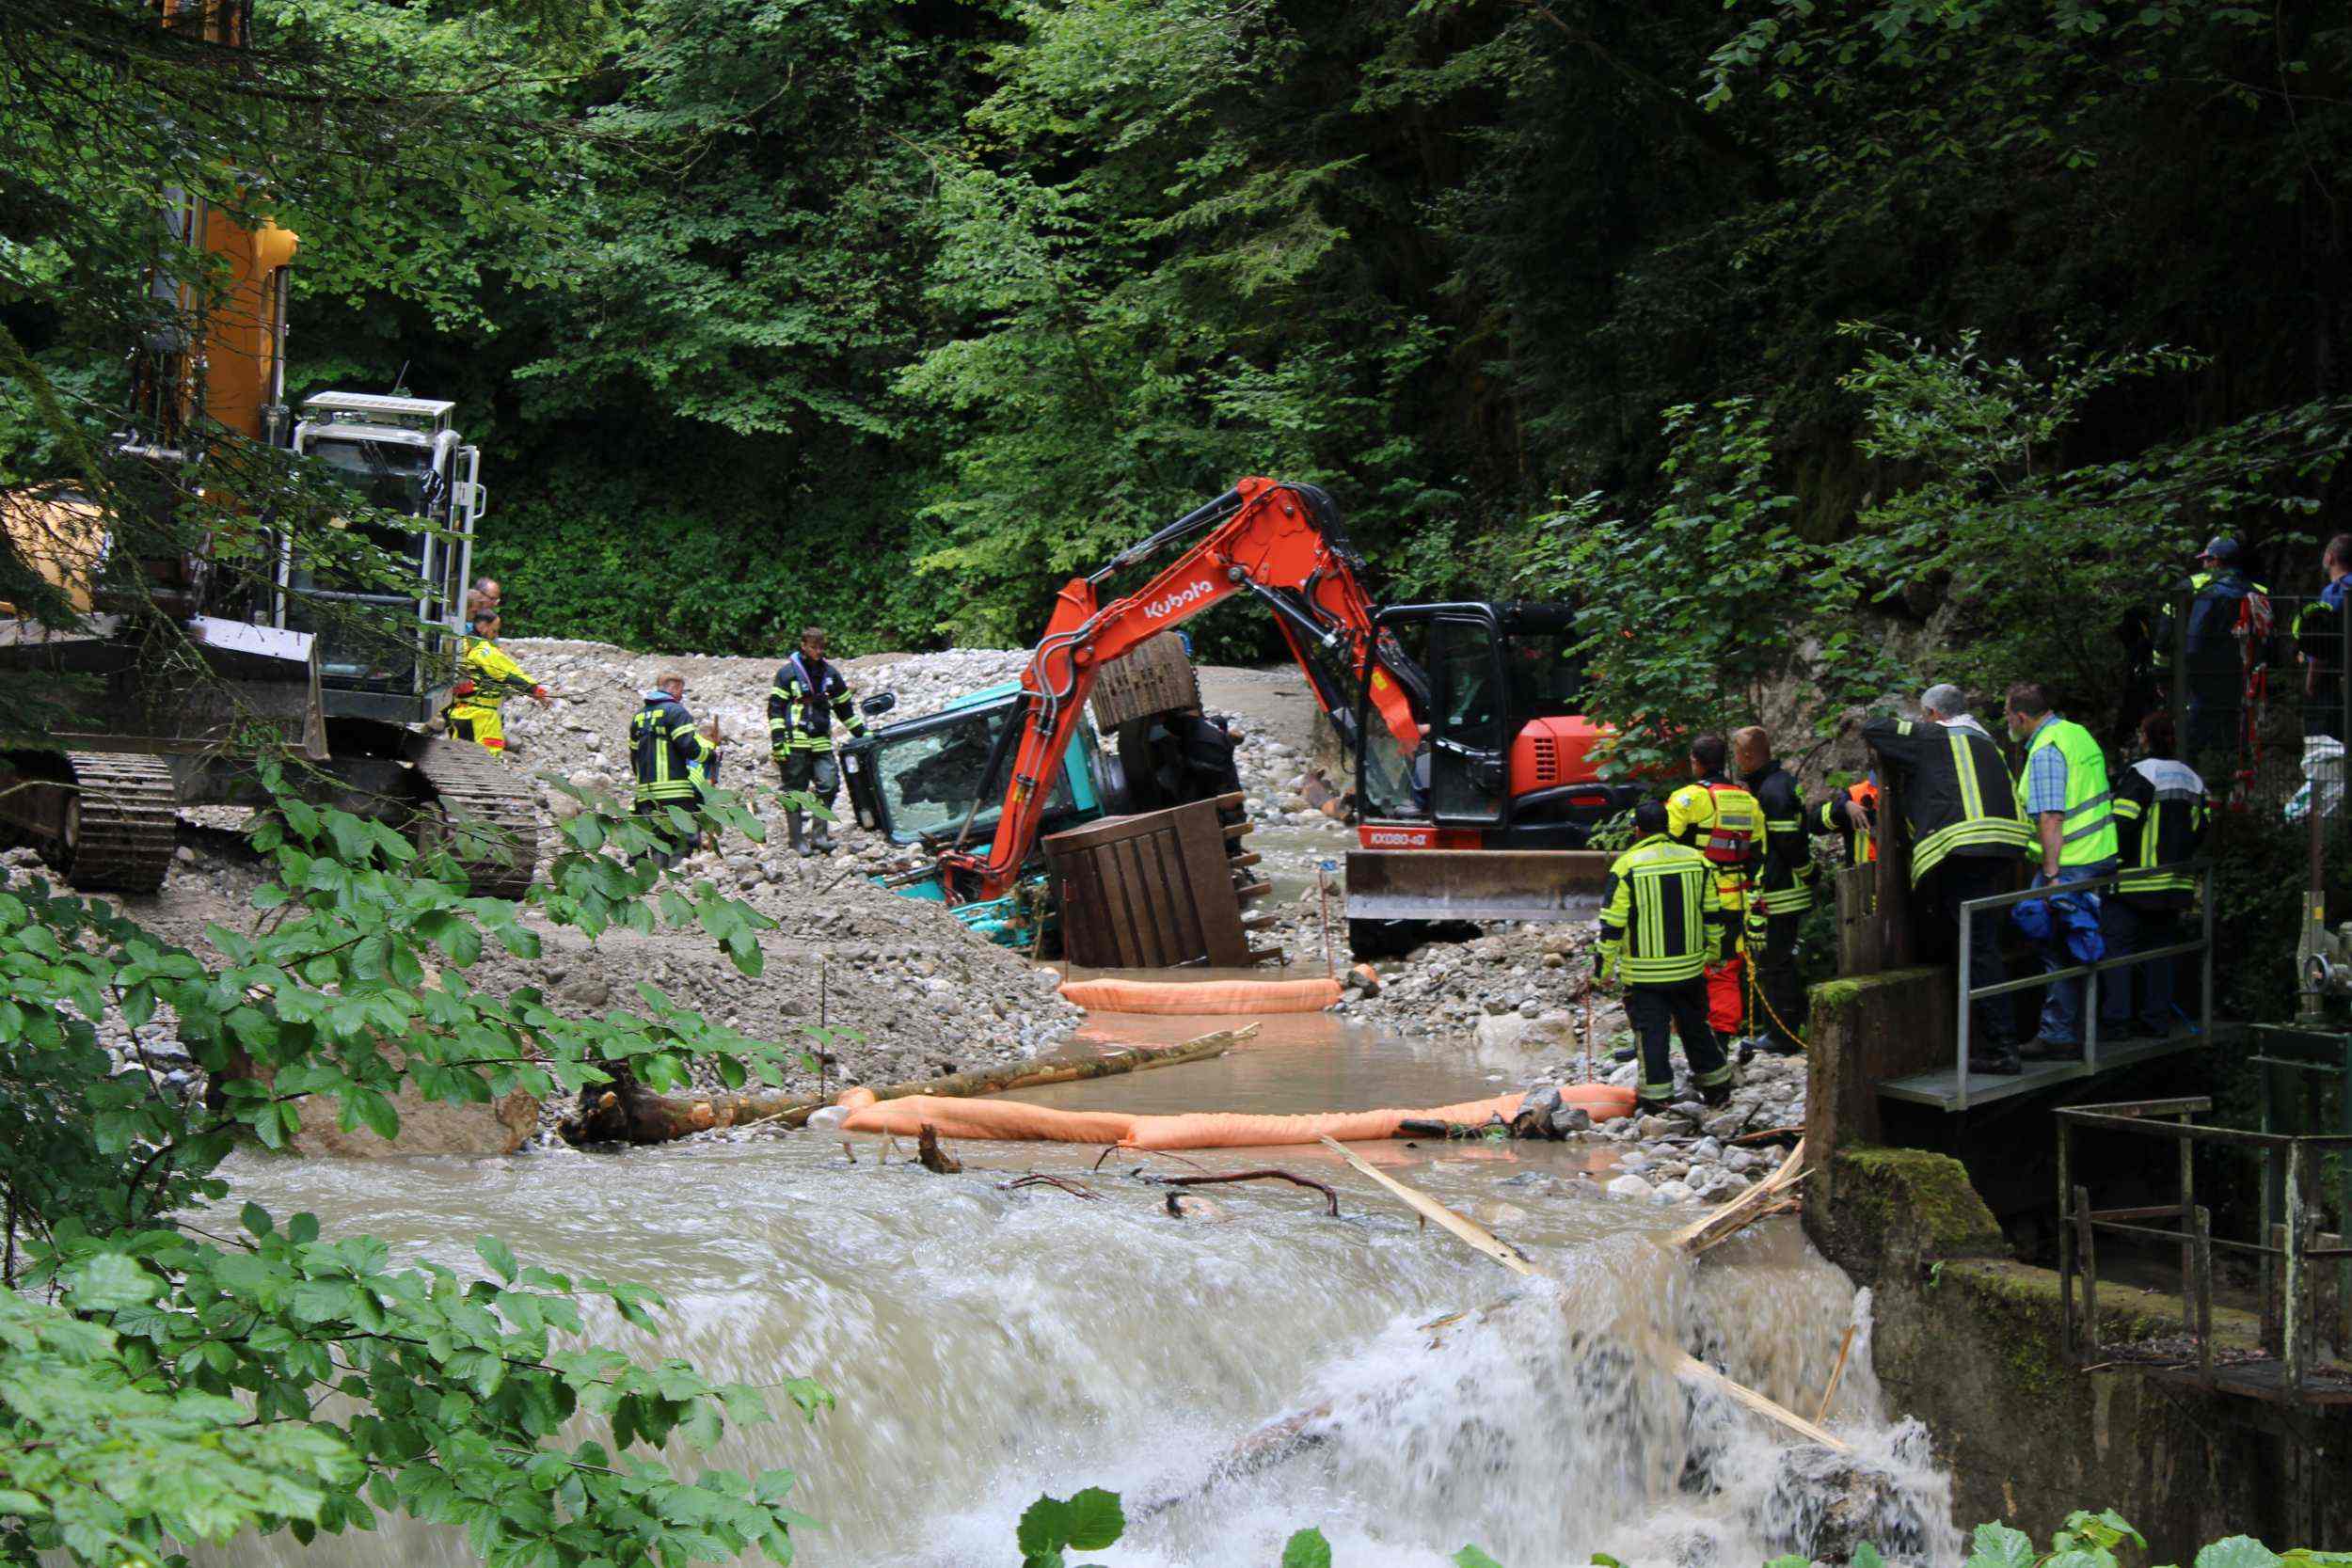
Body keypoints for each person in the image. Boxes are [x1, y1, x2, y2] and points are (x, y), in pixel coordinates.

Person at [1862, 685, 2037, 1074]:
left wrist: (1915, 725)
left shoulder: (1934, 735)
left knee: (1977, 946)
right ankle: (1998, 1040)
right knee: (1978, 939)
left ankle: (2002, 1048)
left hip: (1964, 846)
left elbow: (1875, 728)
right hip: (2003, 846)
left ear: (1932, 713)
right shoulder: (1984, 739)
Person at [1595, 797, 1738, 1115]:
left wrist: (1600, 971)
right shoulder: (1698, 862)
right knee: (1696, 1027)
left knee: (1652, 1035)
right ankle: (1717, 1089)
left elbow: (1612, 925)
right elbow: (1714, 916)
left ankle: (1658, 1099)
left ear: (1637, 831)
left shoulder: (1627, 867)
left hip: (1645, 976)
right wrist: (1713, 954)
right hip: (1689, 970)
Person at [2005, 682, 2121, 1060]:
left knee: (2053, 942)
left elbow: (2051, 816)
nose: (2007, 721)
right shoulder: (2077, 734)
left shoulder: (2045, 751)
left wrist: (2051, 874)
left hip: (2070, 861)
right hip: (2098, 854)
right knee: (2081, 941)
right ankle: (2083, 1026)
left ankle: (2057, 1034)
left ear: (2022, 717)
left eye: (2008, 715)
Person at [2100, 712, 2209, 1040]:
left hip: (2135, 881)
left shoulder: (2141, 774)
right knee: (2160, 954)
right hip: (2174, 884)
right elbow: (2202, 827)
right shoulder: (2192, 778)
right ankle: (2156, 1020)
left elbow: (2123, 822)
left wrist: (2113, 861)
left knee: (2117, 952)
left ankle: (2116, 1023)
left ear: (2145, 738)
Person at [1665, 734, 1762, 1048]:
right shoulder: (1749, 801)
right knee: (1724, 968)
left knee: (1679, 965)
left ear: (1695, 760)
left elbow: (1662, 844)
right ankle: (1721, 1037)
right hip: (1733, 898)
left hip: (1693, 897)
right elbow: (1758, 853)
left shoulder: (1687, 799)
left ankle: (1680, 1032)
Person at [1733, 725, 1814, 1055]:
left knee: (1776, 964)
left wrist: (1808, 873)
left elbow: (1787, 841)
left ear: (1749, 755)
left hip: (1782, 890)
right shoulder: (1774, 784)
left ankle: (1782, 1035)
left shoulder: (1773, 790)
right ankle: (1780, 1030)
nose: (1736, 760)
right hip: (1780, 886)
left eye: (1738, 754)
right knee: (1777, 963)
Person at [2160, 536, 2271, 772]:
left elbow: (2191, 636)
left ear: (2216, 561)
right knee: (2232, 721)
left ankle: (2185, 773)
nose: (2204, 564)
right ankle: (2231, 773)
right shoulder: (2257, 590)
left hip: (2203, 669)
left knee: (2195, 725)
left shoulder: (2199, 588)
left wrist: (2170, 666)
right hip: (2241, 669)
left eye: (2207, 559)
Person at [768, 626, 867, 857]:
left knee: (830, 784)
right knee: (795, 790)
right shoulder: (787, 674)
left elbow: (845, 710)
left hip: (821, 739)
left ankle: (819, 834)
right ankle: (796, 839)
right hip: (794, 740)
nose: (818, 652)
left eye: (821, 647)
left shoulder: (830, 674)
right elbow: (775, 709)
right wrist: (778, 740)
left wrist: (862, 733)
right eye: (814, 647)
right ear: (803, 646)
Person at [629, 673, 716, 870]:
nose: (682, 695)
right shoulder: (677, 712)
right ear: (674, 687)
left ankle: (659, 881)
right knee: (685, 838)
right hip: (675, 791)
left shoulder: (638, 716)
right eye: (681, 690)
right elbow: (688, 746)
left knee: (658, 839)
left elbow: (634, 755)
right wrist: (709, 756)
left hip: (646, 794)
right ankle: (677, 882)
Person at [444, 608, 548, 754]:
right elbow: (506, 675)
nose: (495, 636)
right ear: (482, 627)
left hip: (462, 712)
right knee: (483, 759)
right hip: (480, 716)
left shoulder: (461, 646)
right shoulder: (483, 650)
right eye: (494, 631)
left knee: (461, 758)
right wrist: (535, 690)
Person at [2295, 533, 2352, 741]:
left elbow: (2322, 643)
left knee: (2330, 735)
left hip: (2336, 678)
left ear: (2330, 558)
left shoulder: (2334, 592)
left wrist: (2311, 678)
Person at [1810, 775, 1879, 867]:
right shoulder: (1856, 795)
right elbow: (1814, 825)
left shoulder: (1901, 796)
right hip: (1862, 875)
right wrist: (1844, 807)